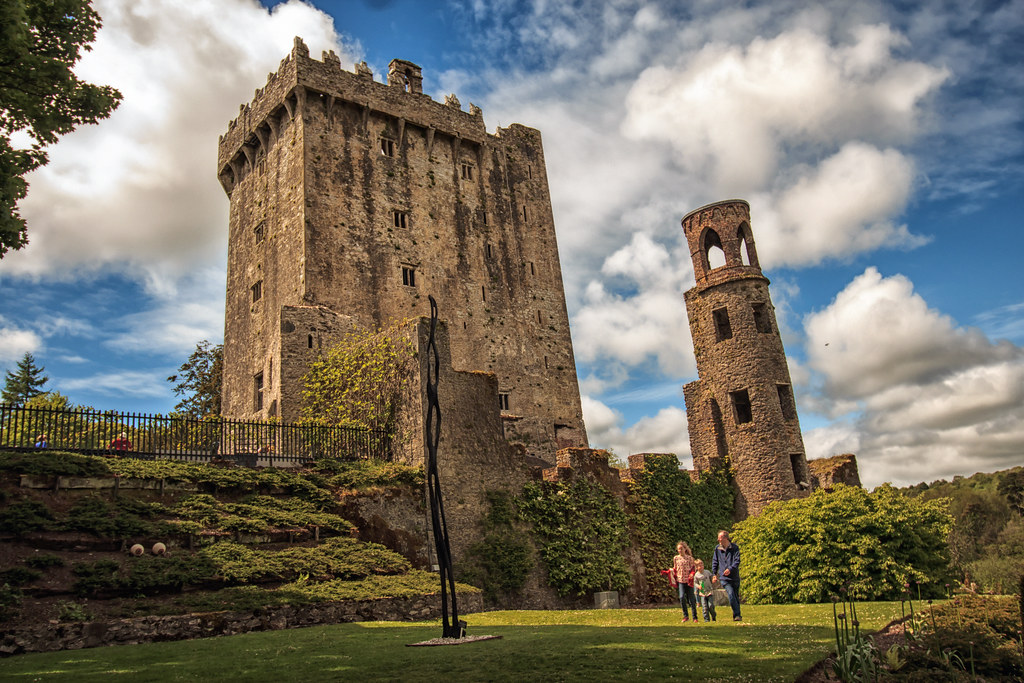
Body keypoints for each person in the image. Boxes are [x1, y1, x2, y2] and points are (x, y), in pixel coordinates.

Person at [711, 529, 742, 621]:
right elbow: (715, 561)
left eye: (720, 538)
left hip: (734, 576)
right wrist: (714, 573)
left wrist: (730, 569)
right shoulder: (717, 549)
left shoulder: (735, 548)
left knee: (735, 596)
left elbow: (737, 561)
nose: (718, 540)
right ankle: (737, 615)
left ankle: (737, 615)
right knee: (731, 594)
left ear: (725, 538)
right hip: (724, 577)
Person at [670, 540, 698, 623]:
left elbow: (693, 568)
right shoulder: (676, 558)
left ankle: (694, 617)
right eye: (678, 549)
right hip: (680, 580)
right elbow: (675, 568)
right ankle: (685, 615)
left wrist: (692, 574)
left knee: (692, 599)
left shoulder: (689, 558)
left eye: (681, 549)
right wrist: (670, 573)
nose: (680, 550)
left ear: (685, 549)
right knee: (682, 597)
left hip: (688, 581)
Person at [693, 558, 716, 622]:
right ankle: (706, 619)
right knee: (705, 607)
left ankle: (713, 616)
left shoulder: (707, 572)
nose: (701, 567)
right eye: (699, 566)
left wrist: (713, 579)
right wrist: (698, 586)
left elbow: (712, 578)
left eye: (702, 565)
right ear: (696, 567)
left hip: (709, 591)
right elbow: (695, 583)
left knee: (710, 605)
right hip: (702, 592)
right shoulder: (696, 575)